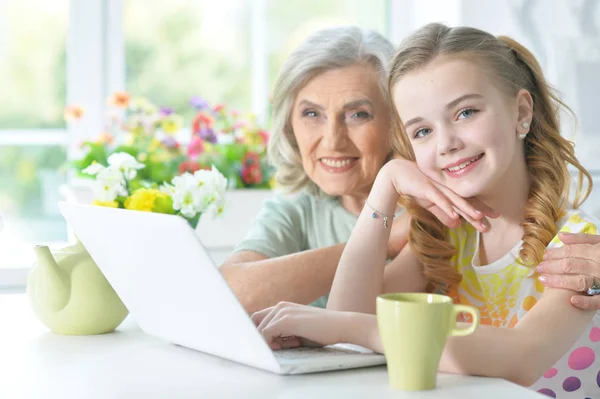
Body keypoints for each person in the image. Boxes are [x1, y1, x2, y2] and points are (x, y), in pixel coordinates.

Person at [251, 23, 599, 398]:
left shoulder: (578, 247)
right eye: (422, 131)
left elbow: (522, 357)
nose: (446, 143)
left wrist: (343, 327)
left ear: (521, 112)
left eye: (466, 112)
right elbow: (351, 315)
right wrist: (384, 188)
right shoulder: (448, 238)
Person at [220, 26, 493, 315]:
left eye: (358, 115)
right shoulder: (299, 209)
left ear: (398, 123)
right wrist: (382, 241)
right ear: (289, 125)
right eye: (312, 114)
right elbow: (228, 294)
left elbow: (361, 322)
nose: (332, 140)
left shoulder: (434, 207)